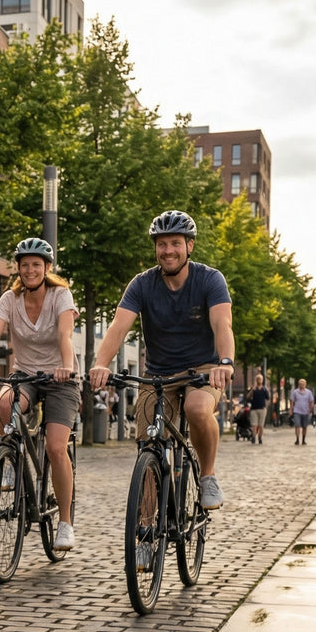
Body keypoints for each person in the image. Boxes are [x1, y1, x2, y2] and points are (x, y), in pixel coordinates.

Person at [90, 210, 234, 512]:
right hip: (158, 374)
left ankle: (207, 475)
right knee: (148, 446)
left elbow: (223, 325)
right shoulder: (142, 284)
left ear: (189, 246)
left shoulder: (210, 279)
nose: (168, 250)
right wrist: (101, 363)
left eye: (175, 243)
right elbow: (118, 327)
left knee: (197, 408)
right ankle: (144, 531)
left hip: (204, 370)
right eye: (161, 244)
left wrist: (225, 362)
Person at [0, 237, 79, 551]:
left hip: (60, 378)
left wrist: (67, 366)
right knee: (4, 403)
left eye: (36, 265)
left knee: (56, 447)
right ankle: (11, 459)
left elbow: (66, 335)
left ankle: (65, 523)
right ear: (18, 268)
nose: (29, 270)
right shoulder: (9, 299)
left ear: (47, 268)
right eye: (24, 265)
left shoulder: (60, 296)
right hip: (25, 374)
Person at [245, 373, 270, 445]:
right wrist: (252, 390)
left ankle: (260, 437)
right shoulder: (253, 389)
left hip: (262, 409)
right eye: (258, 379)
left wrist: (266, 406)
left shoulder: (264, 389)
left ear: (262, 380)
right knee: (254, 425)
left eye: (260, 379)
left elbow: (267, 398)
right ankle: (253, 437)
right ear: (256, 380)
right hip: (254, 409)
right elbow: (247, 397)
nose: (259, 380)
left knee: (261, 425)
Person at [290, 378, 315, 445]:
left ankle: (303, 440)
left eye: (303, 384)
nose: (302, 385)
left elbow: (311, 401)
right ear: (299, 385)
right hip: (297, 411)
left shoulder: (309, 392)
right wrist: (291, 410)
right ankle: (297, 439)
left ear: (305, 385)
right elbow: (292, 401)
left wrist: (310, 409)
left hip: (305, 411)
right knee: (297, 425)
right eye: (301, 384)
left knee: (304, 426)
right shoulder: (295, 392)